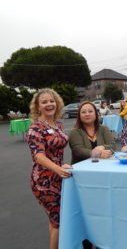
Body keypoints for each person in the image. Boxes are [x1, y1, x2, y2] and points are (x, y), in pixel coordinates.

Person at [27, 88, 72, 249]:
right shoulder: (35, 128)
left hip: (58, 177)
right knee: (58, 220)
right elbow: (38, 156)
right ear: (38, 107)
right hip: (43, 182)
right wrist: (58, 169)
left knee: (54, 220)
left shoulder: (58, 124)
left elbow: (56, 150)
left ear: (57, 103)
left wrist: (61, 166)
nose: (49, 104)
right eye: (44, 102)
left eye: (51, 101)